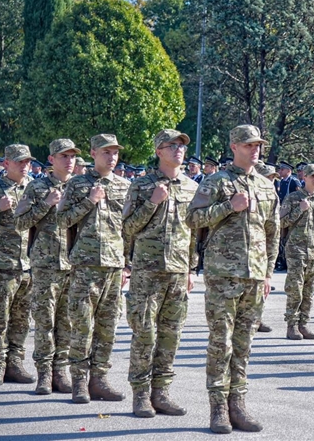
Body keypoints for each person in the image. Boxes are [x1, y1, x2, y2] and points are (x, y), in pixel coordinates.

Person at [186, 124, 279, 433]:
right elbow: (193, 219)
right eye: (248, 144)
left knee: (243, 345)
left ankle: (237, 405)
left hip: (254, 276)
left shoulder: (266, 186)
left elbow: (272, 233)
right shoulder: (216, 182)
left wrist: (267, 273)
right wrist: (229, 206)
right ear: (234, 146)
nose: (255, 149)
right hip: (223, 275)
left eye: (258, 145)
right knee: (220, 343)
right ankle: (217, 409)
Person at [121, 130, 198, 418]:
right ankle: (140, 395)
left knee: (171, 334)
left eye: (181, 146)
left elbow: (193, 234)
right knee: (144, 333)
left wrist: (191, 268)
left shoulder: (191, 187)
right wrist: (152, 201)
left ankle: (161, 392)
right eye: (172, 146)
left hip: (178, 272)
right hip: (147, 271)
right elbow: (127, 228)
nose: (179, 150)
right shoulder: (142, 186)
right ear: (158, 151)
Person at [57, 134, 131, 403]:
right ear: (92, 153)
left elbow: (129, 230)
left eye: (115, 153)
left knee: (107, 327)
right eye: (106, 152)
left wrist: (128, 265)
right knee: (82, 325)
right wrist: (89, 200)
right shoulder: (77, 184)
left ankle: (99, 379)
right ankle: (79, 381)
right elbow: (62, 219)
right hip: (86, 265)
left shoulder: (124, 186)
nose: (111, 157)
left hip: (114, 266)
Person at [12, 139, 80, 395]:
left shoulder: (78, 187)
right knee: (44, 321)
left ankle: (61, 371)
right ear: (51, 160)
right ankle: (44, 373)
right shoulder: (37, 187)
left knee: (67, 322)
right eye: (64, 156)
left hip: (73, 264)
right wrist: (46, 204)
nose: (69, 160)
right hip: (45, 264)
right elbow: (19, 223)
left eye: (72, 156)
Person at [0, 144, 36, 387]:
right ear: (6, 163)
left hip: (27, 266)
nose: (24, 165)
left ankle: (15, 364)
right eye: (19, 161)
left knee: (21, 320)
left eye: (27, 161)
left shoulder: (33, 189)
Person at [281, 164, 314, 341]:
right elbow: (282, 222)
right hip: (296, 250)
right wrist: (300, 209)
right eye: (313, 176)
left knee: (309, 290)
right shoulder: (293, 198)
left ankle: (303, 324)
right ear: (305, 177)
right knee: (295, 289)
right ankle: (291, 325)